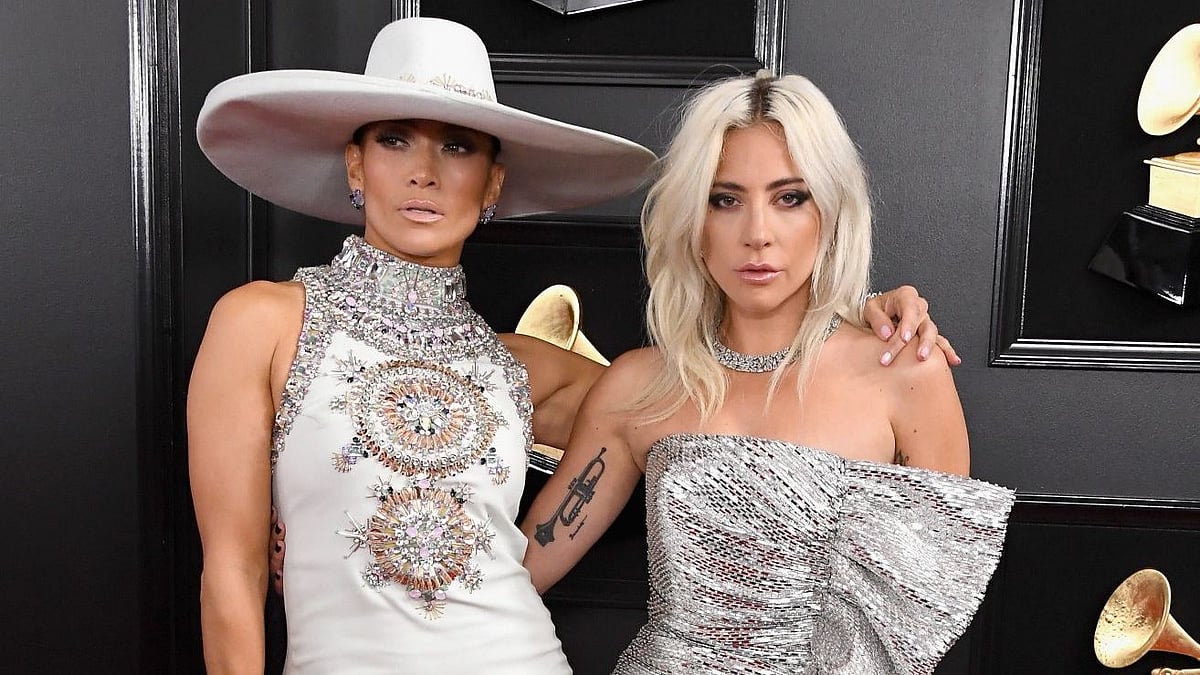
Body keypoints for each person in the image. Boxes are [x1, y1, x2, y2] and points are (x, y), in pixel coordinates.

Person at [189, 17, 953, 675]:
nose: (424, 172)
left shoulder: (526, 368)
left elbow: (743, 412)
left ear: (493, 183)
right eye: (394, 139)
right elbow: (232, 567)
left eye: (458, 146)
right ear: (356, 163)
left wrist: (857, 315)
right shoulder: (263, 322)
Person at [520, 72, 1014, 674]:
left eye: (790, 198)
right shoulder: (636, 387)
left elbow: (924, 619)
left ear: (830, 211)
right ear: (692, 219)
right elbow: (521, 576)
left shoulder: (903, 369)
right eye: (724, 200)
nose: (757, 234)